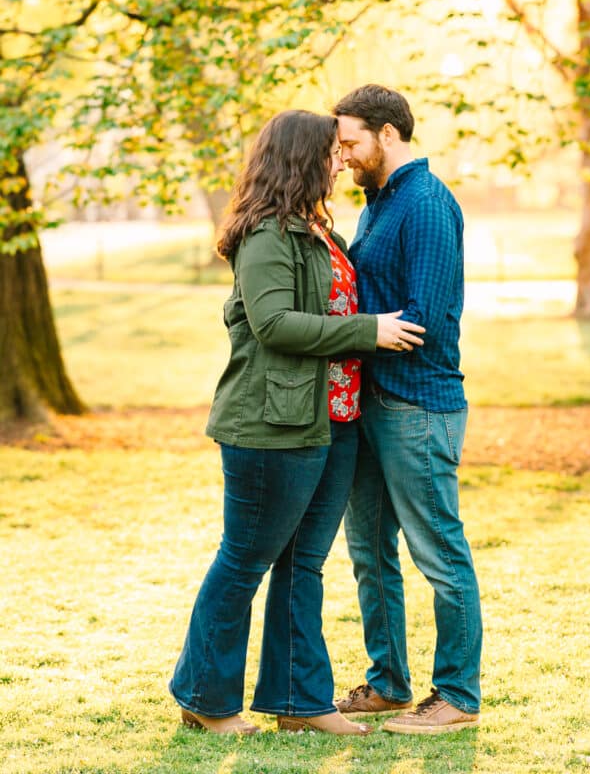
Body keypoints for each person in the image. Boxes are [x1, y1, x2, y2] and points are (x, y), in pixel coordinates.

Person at [169, 109, 425, 736]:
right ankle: (204, 697)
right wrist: (371, 331)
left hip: (329, 421)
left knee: (301, 565)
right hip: (271, 427)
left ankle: (298, 703)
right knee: (243, 562)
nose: (342, 161)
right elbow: (274, 324)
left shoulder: (315, 228)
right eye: (332, 152)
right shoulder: (266, 235)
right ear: (302, 158)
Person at [332, 84, 482, 734]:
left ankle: (455, 697)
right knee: (368, 549)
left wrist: (350, 333)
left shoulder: (423, 203)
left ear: (387, 133)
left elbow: (425, 319)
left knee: (438, 553)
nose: (340, 154)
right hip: (372, 405)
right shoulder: (380, 203)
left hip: (417, 405)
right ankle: (388, 683)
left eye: (349, 141)